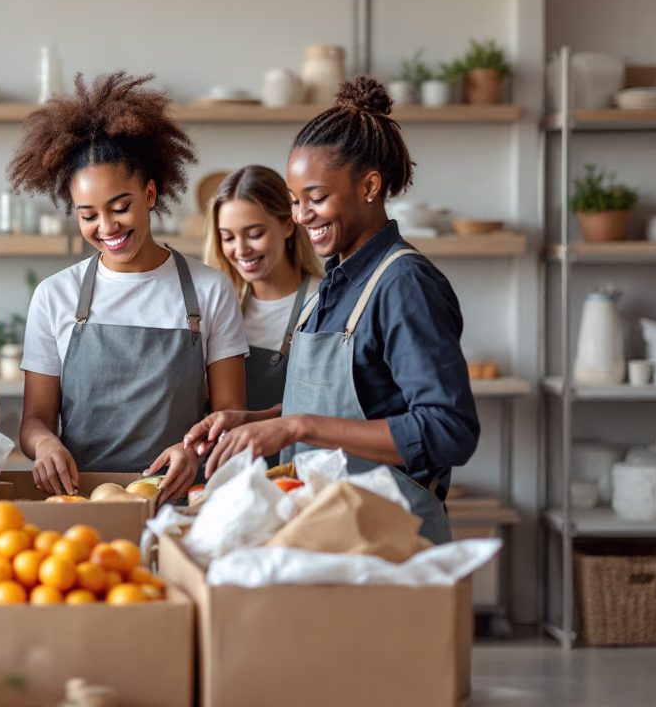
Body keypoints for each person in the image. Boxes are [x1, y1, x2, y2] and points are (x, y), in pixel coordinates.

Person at [185, 77, 479, 543]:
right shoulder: (337, 282)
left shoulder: (404, 284)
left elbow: (448, 431)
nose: (302, 217)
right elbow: (349, 404)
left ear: (370, 185)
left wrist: (295, 427)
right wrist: (259, 421)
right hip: (333, 532)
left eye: (316, 198)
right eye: (297, 202)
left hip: (392, 540)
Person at [8, 71, 249, 506]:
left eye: (120, 207)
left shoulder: (210, 290)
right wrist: (44, 445)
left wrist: (195, 452)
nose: (106, 227)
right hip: (80, 505)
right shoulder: (55, 295)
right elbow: (34, 421)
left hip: (180, 502)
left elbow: (229, 415)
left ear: (151, 193)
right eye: (88, 215)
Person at [204, 164, 323, 466]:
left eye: (254, 234)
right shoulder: (218, 303)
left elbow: (330, 407)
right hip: (224, 477)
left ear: (287, 226)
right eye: (227, 237)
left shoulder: (324, 302)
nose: (241, 249)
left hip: (295, 476)